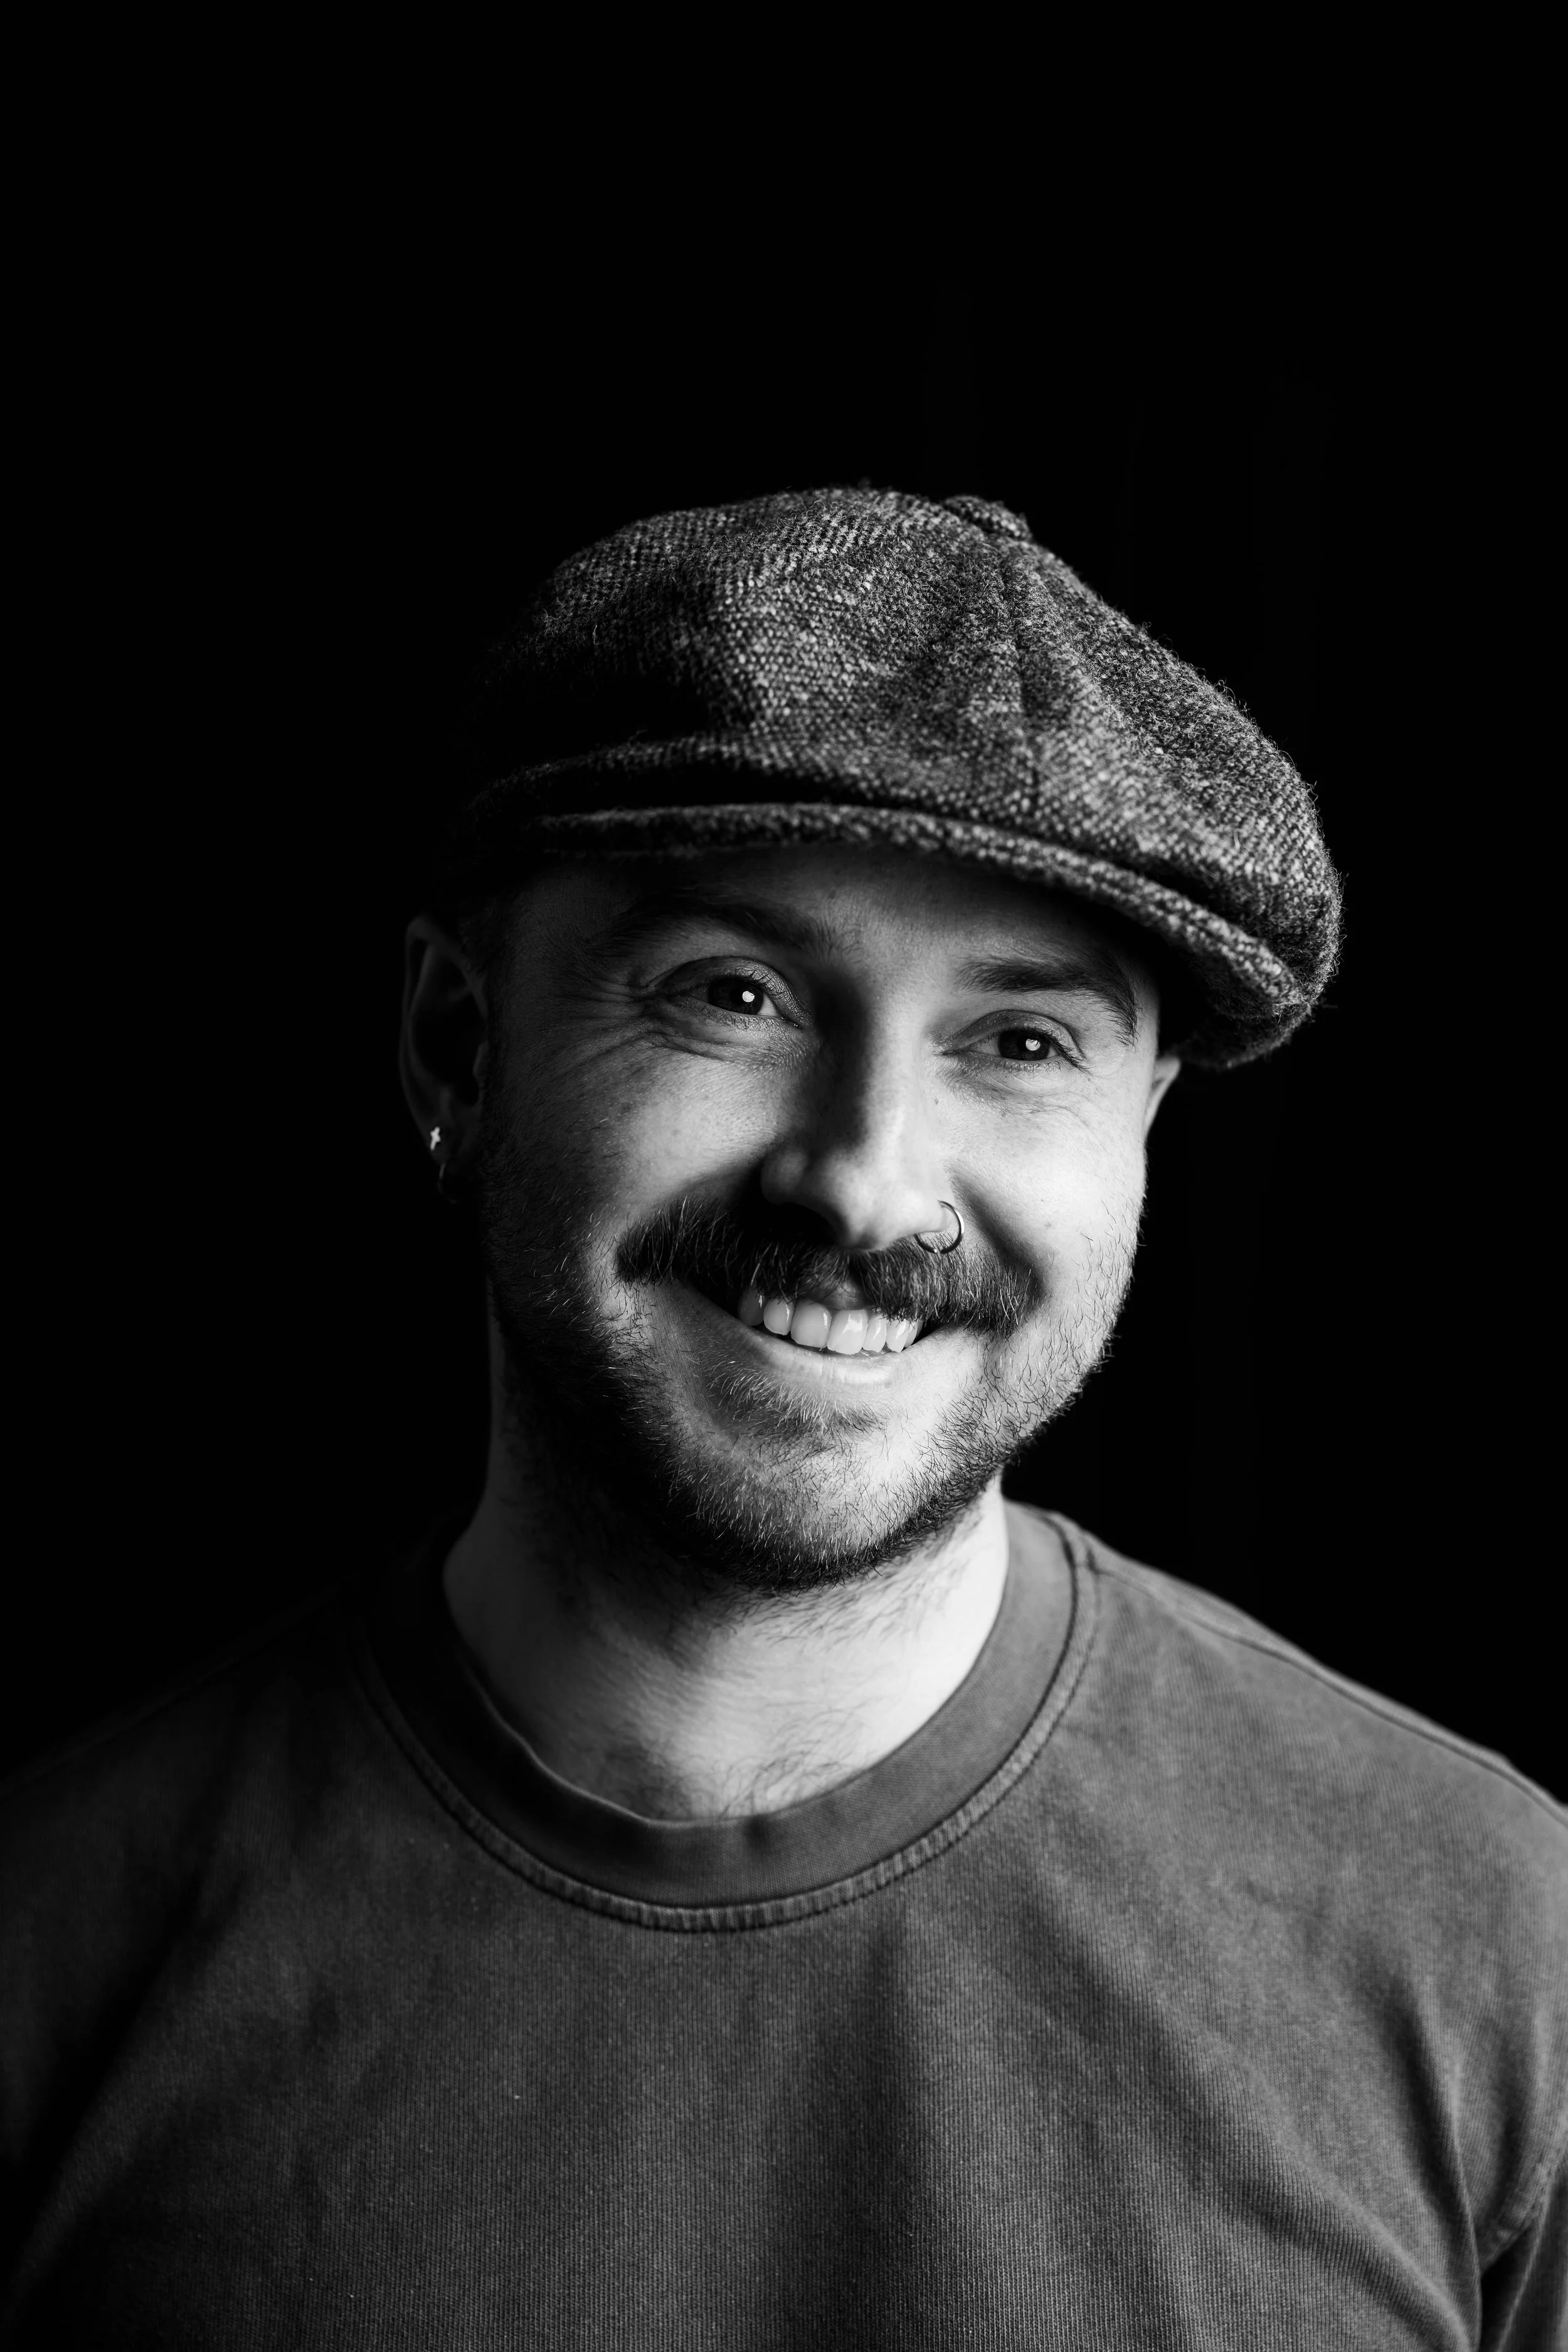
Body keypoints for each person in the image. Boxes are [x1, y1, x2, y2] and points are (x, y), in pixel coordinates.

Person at [3, 489, 1563, 2348]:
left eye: (1021, 1040)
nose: (860, 1183)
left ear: (1141, 1128)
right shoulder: (48, 1935)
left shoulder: (1497, 1944)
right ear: (454, 1042)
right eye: (729, 995)